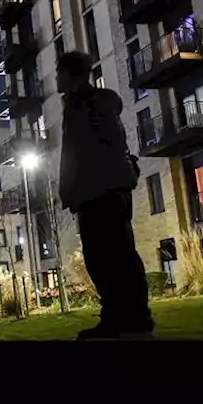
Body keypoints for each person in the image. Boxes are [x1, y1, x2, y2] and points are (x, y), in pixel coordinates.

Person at [56, 50, 154, 340]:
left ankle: (135, 318)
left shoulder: (90, 104)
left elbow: (107, 144)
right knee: (101, 258)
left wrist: (115, 178)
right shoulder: (76, 105)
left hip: (104, 192)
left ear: (71, 74)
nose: (56, 78)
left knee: (116, 255)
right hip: (93, 192)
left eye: (60, 72)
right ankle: (118, 316)